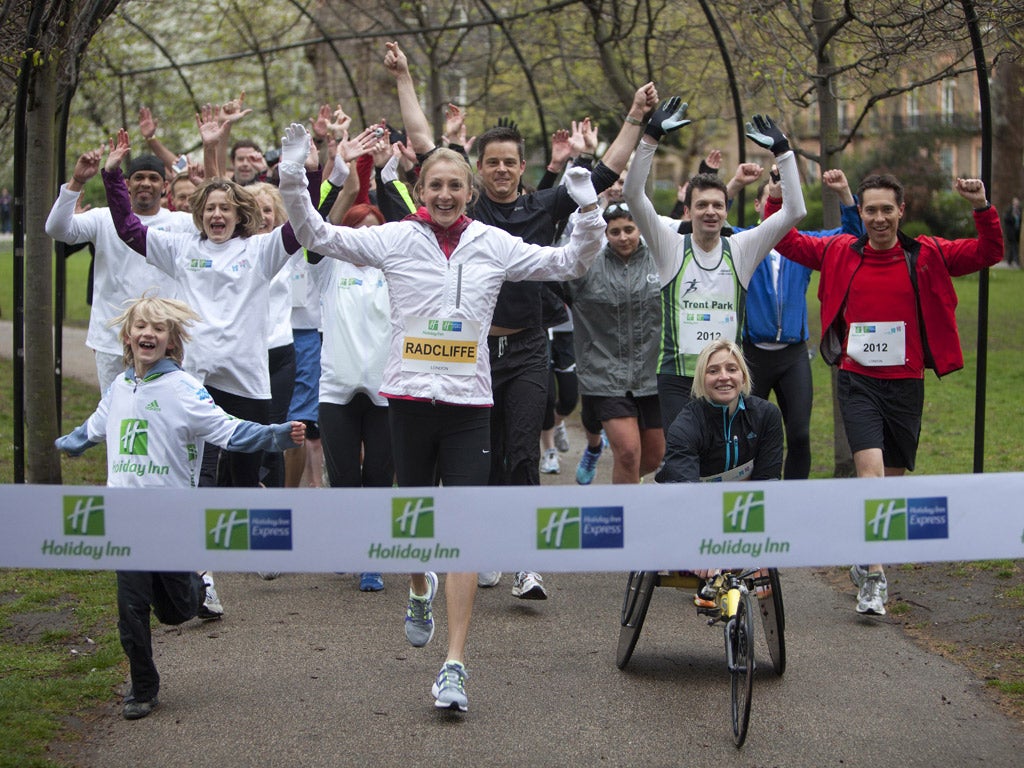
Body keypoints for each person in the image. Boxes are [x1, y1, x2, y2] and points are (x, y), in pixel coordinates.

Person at [277, 122, 604, 712]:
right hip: (406, 402)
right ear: (420, 189)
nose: (446, 194)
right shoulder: (396, 238)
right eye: (436, 185)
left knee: (461, 530)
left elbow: (572, 263)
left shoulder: (492, 243)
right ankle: (418, 586)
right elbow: (312, 234)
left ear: (469, 190)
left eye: (456, 185)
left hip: (468, 407)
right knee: (416, 522)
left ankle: (454, 664)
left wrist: (587, 209)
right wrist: (293, 174)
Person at [385, 39, 656, 599]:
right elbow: (422, 141)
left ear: (523, 166)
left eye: (511, 161)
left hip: (528, 347)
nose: (503, 170)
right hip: (471, 353)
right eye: (492, 163)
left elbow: (605, 171)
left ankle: (528, 561)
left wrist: (634, 117)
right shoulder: (465, 209)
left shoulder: (542, 205)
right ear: (477, 172)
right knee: (480, 460)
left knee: (523, 452)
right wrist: (406, 76)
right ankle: (483, 549)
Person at [54, 295, 305, 720]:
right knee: (129, 605)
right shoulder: (119, 386)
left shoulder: (186, 390)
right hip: (125, 518)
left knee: (175, 610)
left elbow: (228, 431)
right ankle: (144, 686)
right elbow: (98, 423)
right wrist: (72, 442)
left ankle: (192, 584)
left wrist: (276, 435)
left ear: (171, 341)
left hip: (171, 519)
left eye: (158, 329)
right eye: (141, 327)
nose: (147, 334)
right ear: (128, 336)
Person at [765, 172, 1003, 615]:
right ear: (860, 211)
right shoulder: (839, 251)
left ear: (901, 212)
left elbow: (990, 252)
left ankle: (864, 553)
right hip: (857, 382)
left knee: (889, 493)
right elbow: (787, 242)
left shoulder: (926, 254)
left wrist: (982, 208)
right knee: (869, 475)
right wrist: (775, 198)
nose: (878, 218)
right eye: (870, 209)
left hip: (906, 384)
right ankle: (875, 578)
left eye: (885, 210)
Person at [99, 128, 318, 489]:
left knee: (246, 475)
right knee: (197, 474)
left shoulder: (259, 250)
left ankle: (244, 540)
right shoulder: (182, 249)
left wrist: (307, 173)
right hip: (193, 381)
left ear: (239, 214)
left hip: (247, 382)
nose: (217, 215)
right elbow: (128, 229)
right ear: (199, 214)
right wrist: (111, 176)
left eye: (225, 208)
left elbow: (302, 227)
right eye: (210, 208)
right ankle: (193, 541)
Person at [622, 102, 807, 434]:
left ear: (726, 211)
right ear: (688, 210)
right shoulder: (670, 246)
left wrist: (783, 151)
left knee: (724, 466)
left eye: (718, 205)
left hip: (726, 378)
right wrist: (650, 137)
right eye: (702, 205)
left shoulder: (741, 248)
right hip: (679, 377)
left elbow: (794, 211)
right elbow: (633, 194)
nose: (711, 212)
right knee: (683, 464)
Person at [741, 168, 864, 480]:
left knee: (798, 435)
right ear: (759, 206)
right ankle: (755, 496)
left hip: (793, 356)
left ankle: (795, 499)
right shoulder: (743, 243)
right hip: (752, 355)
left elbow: (852, 238)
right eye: (773, 201)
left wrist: (845, 195)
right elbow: (708, 224)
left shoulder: (807, 245)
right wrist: (735, 184)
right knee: (749, 436)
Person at [45, 150, 193, 391]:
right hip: (112, 340)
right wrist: (77, 181)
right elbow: (56, 229)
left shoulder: (182, 224)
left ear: (165, 186)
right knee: (115, 414)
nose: (146, 183)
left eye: (153, 178)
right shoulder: (104, 218)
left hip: (163, 340)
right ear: (126, 184)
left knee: (161, 412)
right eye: (139, 177)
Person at [656, 340, 782, 607]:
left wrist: (760, 547)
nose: (723, 377)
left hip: (740, 510)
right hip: (691, 508)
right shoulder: (686, 424)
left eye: (731, 369)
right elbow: (685, 492)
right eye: (713, 371)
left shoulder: (767, 416)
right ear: (702, 378)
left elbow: (768, 486)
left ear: (743, 376)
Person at [311, 203, 394, 592]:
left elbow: (416, 225)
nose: (366, 238)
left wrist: (388, 174)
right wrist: (333, 175)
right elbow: (310, 223)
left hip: (386, 390)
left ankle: (373, 559)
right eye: (358, 230)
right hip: (336, 389)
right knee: (344, 479)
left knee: (378, 478)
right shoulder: (328, 267)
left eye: (374, 231)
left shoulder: (396, 270)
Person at [564, 203, 664, 484]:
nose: (623, 237)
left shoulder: (660, 259)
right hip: (604, 372)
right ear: (605, 234)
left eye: (629, 229)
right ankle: (625, 520)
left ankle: (623, 488)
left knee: (654, 456)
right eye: (615, 231)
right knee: (628, 452)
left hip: (651, 374)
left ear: (640, 229)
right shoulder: (588, 262)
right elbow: (555, 274)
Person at [1000, 196, 1021, 267]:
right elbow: (1007, 220)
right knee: (1014, 246)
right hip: (1010, 232)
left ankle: (1009, 261)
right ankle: (1017, 261)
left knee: (1013, 246)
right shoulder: (1010, 211)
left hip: (1017, 232)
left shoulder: (1019, 211)